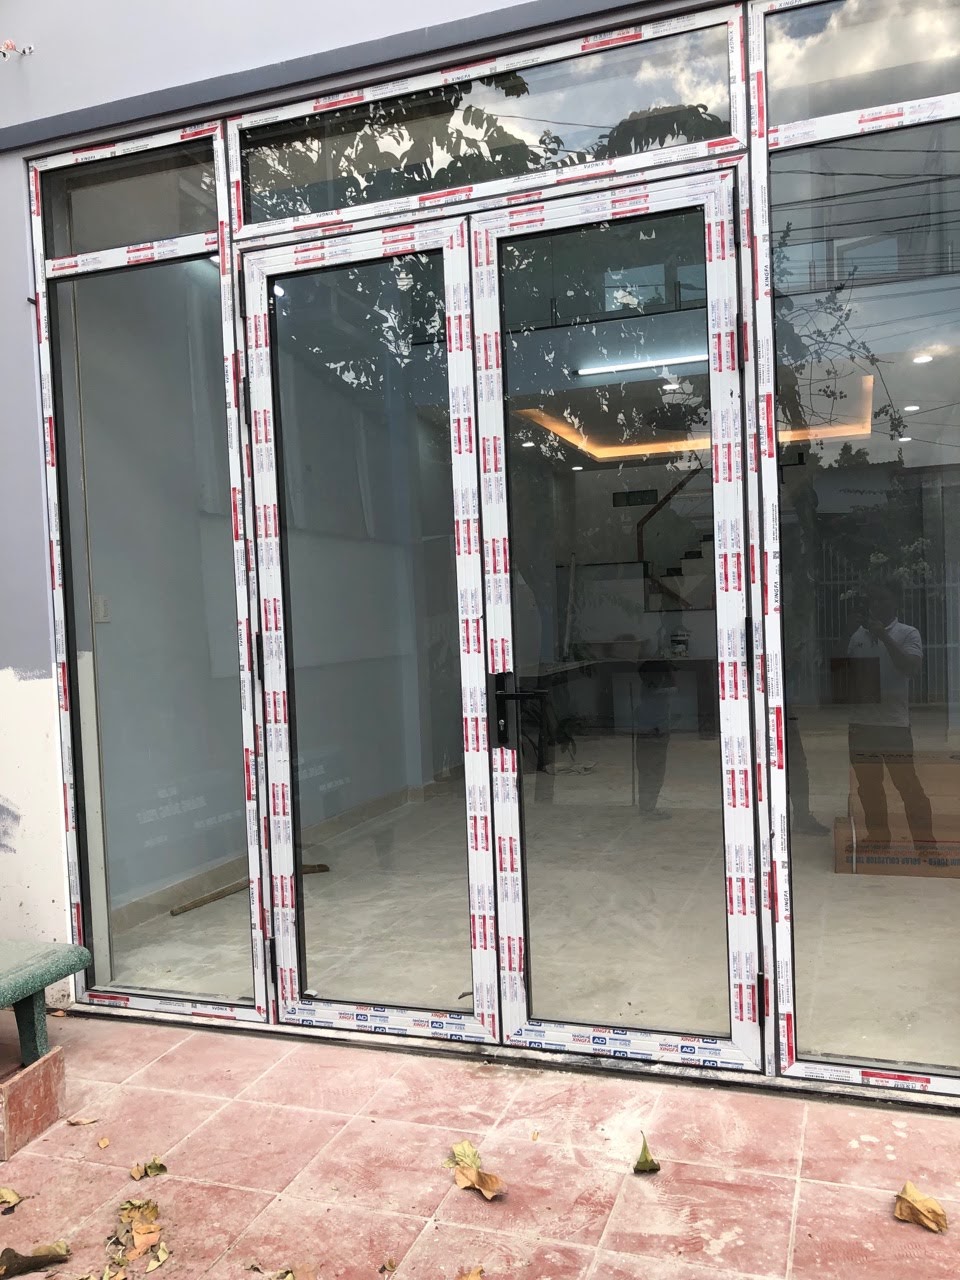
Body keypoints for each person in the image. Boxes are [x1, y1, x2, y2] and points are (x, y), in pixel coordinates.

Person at [846, 580, 935, 851]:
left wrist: (884, 637)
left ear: (896, 601)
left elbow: (911, 668)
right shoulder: (857, 636)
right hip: (862, 724)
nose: (877, 605)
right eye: (873, 600)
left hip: (894, 725)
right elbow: (845, 675)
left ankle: (926, 844)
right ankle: (878, 838)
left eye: (883, 599)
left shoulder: (908, 633)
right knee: (868, 787)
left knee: (907, 785)